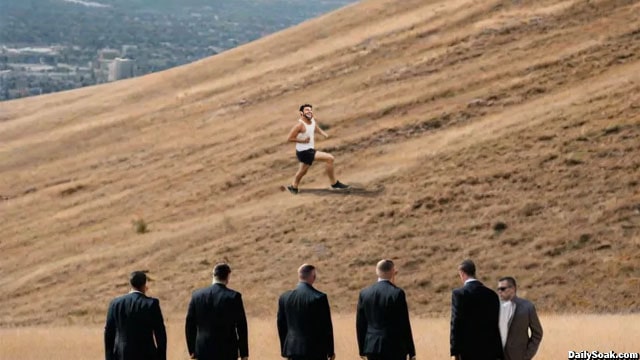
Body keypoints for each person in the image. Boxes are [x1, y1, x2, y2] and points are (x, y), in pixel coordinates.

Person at [185, 263, 249, 360]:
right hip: (227, 350)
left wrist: (192, 350)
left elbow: (190, 325)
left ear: (213, 275)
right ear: (228, 277)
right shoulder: (234, 297)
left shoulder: (197, 296)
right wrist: (244, 353)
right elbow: (241, 326)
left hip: (203, 349)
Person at [356, 259, 416, 360]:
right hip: (394, 346)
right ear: (393, 272)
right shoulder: (397, 293)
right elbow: (404, 323)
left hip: (372, 346)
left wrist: (362, 348)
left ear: (376, 271)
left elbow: (360, 323)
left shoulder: (365, 293)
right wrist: (411, 350)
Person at [285, 104, 349, 194]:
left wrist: (323, 134)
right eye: (307, 110)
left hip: (308, 150)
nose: (309, 111)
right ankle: (334, 184)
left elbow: (315, 127)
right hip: (304, 152)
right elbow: (289, 139)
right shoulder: (299, 126)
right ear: (301, 113)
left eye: (310, 110)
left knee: (303, 171)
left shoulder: (312, 121)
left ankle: (294, 186)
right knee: (330, 158)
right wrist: (303, 141)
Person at [104, 271, 167, 360]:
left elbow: (109, 333)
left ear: (130, 284)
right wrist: (161, 357)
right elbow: (160, 333)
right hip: (146, 354)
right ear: (144, 285)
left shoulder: (115, 304)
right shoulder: (151, 304)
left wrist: (109, 357)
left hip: (121, 354)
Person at [277, 264, 335, 360]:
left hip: (293, 349)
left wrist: (285, 349)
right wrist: (330, 351)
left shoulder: (285, 298)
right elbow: (326, 326)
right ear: (313, 277)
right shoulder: (319, 297)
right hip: (315, 350)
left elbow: (281, 325)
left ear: (299, 276)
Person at [450, 260, 503, 360]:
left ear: (462, 273)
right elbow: (495, 325)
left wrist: (455, 351)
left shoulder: (459, 294)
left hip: (467, 351)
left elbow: (456, 323)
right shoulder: (492, 295)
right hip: (490, 351)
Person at [497, 277, 543, 360]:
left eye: (502, 289)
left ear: (512, 289)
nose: (499, 291)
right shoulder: (495, 308)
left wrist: (527, 356)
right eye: (498, 289)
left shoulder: (527, 307)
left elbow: (537, 333)